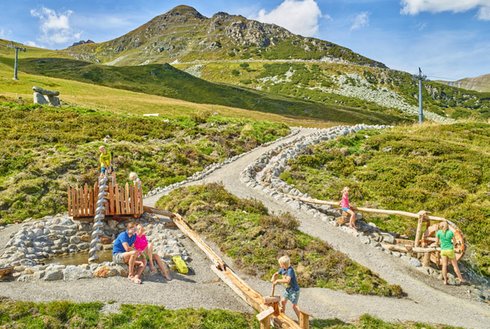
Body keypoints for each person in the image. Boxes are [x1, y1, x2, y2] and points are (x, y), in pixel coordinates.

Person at [435, 221, 466, 285]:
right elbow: (454, 242)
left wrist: (439, 244)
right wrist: (453, 245)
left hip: (443, 251)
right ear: (447, 226)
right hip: (450, 250)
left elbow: (437, 242)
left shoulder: (438, 232)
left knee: (444, 265)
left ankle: (445, 280)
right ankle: (461, 279)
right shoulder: (450, 232)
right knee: (455, 265)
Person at [271, 255, 300, 320]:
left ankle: (301, 320)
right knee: (283, 301)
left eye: (280, 264)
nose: (280, 266)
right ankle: (283, 314)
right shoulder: (283, 269)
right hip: (288, 289)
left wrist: (278, 280)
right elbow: (277, 273)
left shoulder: (290, 270)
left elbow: (287, 280)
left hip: (294, 290)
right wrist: (274, 276)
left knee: (294, 306)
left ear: (283, 264)